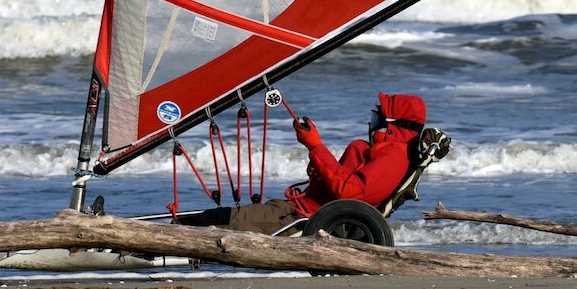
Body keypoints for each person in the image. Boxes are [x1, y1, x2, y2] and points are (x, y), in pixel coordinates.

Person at [179, 92, 428, 233]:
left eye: (379, 116)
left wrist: (315, 146)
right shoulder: (378, 150)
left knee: (211, 221)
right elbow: (339, 181)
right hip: (296, 208)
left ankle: (153, 245)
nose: (373, 121)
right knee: (209, 217)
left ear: (393, 124)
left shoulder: (394, 156)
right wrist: (315, 160)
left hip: (301, 219)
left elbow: (352, 192)